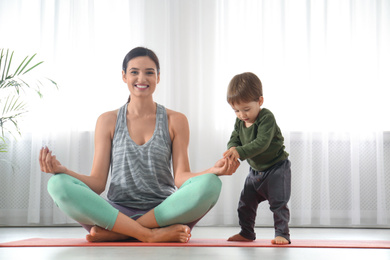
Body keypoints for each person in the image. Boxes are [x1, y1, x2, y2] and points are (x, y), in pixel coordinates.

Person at [39, 47, 239, 243]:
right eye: (134, 72)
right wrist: (62, 170)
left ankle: (121, 233)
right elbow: (98, 183)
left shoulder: (175, 120)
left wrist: (213, 170)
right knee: (57, 184)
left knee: (211, 184)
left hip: (164, 211)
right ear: (124, 76)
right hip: (115, 212)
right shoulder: (107, 120)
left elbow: (181, 178)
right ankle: (149, 234)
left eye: (149, 73)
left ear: (158, 77)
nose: (141, 79)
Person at [223, 72, 291, 245]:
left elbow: (262, 143)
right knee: (245, 203)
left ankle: (282, 234)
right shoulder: (239, 121)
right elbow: (235, 138)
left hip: (277, 168)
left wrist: (240, 152)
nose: (242, 115)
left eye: (246, 109)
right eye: (236, 110)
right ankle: (246, 232)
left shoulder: (266, 118)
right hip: (255, 171)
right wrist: (232, 148)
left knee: (278, 204)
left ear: (260, 101)